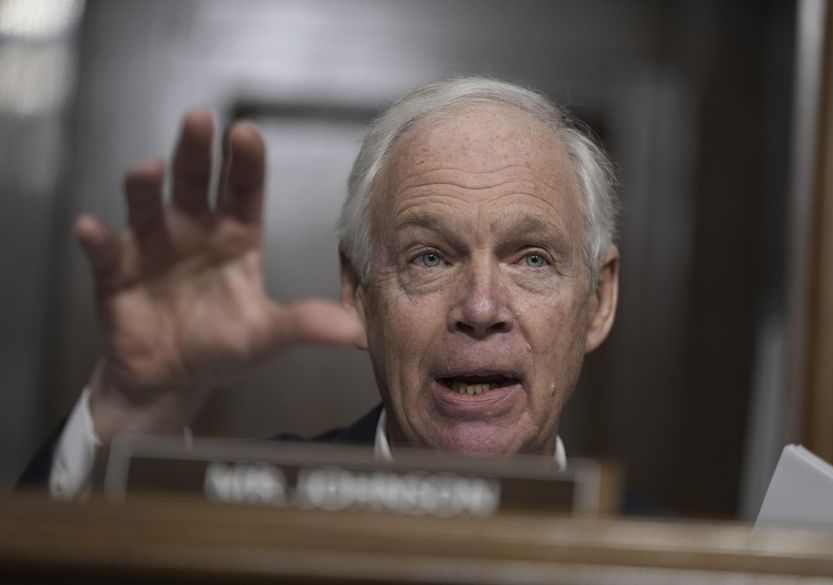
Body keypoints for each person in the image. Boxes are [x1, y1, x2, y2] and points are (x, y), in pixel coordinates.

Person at [21, 77, 620, 497]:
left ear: (597, 301)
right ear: (358, 293)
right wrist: (136, 410)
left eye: (533, 259)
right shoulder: (244, 519)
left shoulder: (662, 561)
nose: (481, 307)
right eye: (430, 257)